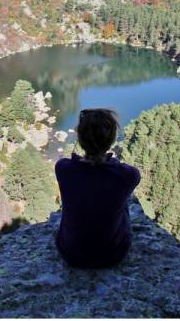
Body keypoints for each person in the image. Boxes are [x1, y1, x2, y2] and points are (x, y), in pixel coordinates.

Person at [54, 108, 140, 268]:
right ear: (112, 139)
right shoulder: (128, 176)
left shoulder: (63, 169)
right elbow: (122, 172)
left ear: (79, 138)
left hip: (70, 254)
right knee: (120, 199)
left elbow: (84, 172)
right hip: (112, 255)